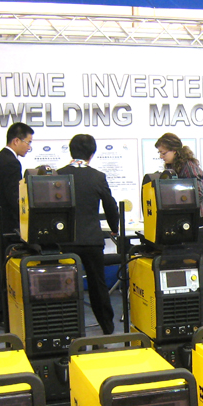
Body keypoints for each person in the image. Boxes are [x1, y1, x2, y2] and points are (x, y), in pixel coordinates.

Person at [57, 134, 120, 335]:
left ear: (71, 150)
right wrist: (114, 227)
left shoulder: (58, 175)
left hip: (66, 241)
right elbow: (110, 206)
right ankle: (107, 327)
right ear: (92, 154)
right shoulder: (98, 177)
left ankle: (68, 327)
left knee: (64, 286)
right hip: (92, 239)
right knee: (97, 285)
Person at [0, 122, 32, 327]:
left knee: (2, 270)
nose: (29, 147)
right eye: (28, 142)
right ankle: (0, 314)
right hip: (7, 228)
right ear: (16, 140)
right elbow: (14, 198)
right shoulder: (12, 163)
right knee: (7, 272)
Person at [155, 132, 203, 226]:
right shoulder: (172, 166)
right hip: (183, 215)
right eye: (160, 153)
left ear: (174, 150)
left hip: (195, 216)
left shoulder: (188, 166)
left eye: (163, 153)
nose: (161, 157)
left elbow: (199, 194)